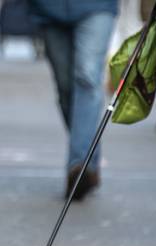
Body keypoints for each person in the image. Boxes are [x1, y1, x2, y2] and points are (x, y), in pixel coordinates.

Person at [28, 0, 118, 200]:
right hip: (49, 10)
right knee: (66, 89)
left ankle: (79, 165)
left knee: (87, 78)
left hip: (97, 8)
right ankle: (89, 161)